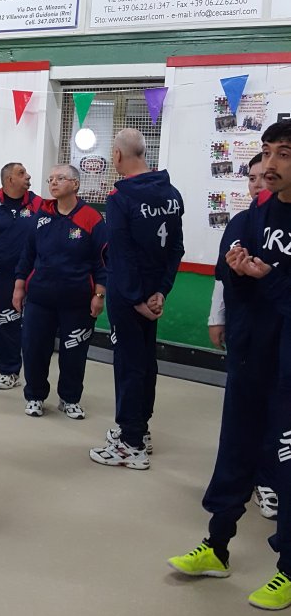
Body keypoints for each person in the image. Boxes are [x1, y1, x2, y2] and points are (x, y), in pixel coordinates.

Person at [168, 120, 291, 611]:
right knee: (234, 453)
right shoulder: (255, 217)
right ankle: (216, 546)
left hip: (288, 371)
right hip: (251, 358)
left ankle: (288, 569)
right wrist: (243, 274)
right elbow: (231, 278)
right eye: (267, 152)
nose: (270, 164)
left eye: (283, 154)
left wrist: (270, 278)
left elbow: (279, 288)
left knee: (285, 465)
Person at [89, 128, 184, 470]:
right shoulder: (172, 194)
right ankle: (139, 429)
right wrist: (160, 292)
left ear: (117, 155)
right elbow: (176, 248)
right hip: (153, 294)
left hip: (128, 297)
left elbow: (122, 255)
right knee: (145, 362)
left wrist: (134, 299)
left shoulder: (120, 198)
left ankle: (131, 445)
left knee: (129, 364)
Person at [207, 152, 278, 519]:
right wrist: (216, 318)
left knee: (276, 410)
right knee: (241, 410)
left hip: (278, 333)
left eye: (263, 177)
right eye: (251, 178)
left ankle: (269, 479)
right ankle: (239, 480)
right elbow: (223, 277)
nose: (257, 183)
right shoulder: (240, 222)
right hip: (244, 332)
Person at [13, 165, 106, 420]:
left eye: (60, 178)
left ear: (75, 184)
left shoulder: (91, 218)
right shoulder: (41, 215)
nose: (53, 183)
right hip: (39, 298)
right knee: (34, 349)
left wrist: (99, 295)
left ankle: (70, 398)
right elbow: (28, 254)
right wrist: (19, 286)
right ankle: (34, 396)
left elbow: (102, 261)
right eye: (50, 179)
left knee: (74, 352)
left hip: (78, 300)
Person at [0, 162, 42, 390]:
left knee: (17, 323)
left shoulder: (38, 204)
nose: (28, 176)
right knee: (2, 321)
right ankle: (8, 372)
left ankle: (20, 373)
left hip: (26, 274)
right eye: (21, 173)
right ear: (9, 180)